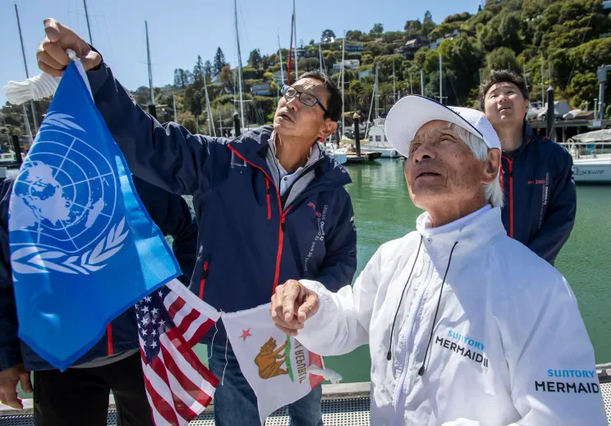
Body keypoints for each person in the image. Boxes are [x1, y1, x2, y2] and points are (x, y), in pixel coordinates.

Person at [36, 19, 357, 426]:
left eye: (308, 100)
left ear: (327, 127)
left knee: (308, 420)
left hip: (304, 334)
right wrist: (96, 74)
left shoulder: (333, 194)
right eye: (290, 92)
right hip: (233, 337)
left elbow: (343, 259)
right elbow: (150, 144)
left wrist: (315, 300)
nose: (291, 101)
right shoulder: (221, 162)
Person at [270, 96, 607, 425]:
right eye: (414, 146)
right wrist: (314, 307)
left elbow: (570, 416)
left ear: (490, 165)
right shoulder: (392, 257)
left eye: (443, 139)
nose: (420, 153)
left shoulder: (540, 287)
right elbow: (352, 321)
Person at [0, 175, 198, 426]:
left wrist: (173, 299)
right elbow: (3, 280)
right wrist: (5, 359)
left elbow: (191, 231)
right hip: (58, 360)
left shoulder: (134, 178)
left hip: (141, 348)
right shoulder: (15, 191)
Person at [480, 69, 576, 264]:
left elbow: (562, 218)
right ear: (483, 111)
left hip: (534, 271)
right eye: (494, 95)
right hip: (482, 269)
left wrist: (528, 262)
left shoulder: (554, 157)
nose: (502, 98)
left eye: (509, 92)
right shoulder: (472, 159)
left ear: (526, 104)